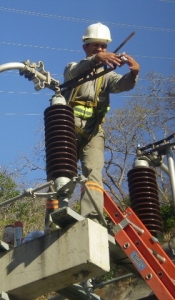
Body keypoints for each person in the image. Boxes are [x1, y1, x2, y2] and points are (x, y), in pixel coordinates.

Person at [63, 22, 140, 224]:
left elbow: (121, 84)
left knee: (93, 172)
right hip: (67, 129)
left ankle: (92, 218)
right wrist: (97, 60)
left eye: (103, 47)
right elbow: (73, 73)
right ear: (85, 47)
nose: (100, 49)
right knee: (62, 172)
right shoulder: (73, 68)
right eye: (95, 45)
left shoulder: (106, 76)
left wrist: (133, 74)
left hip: (93, 132)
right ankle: (56, 216)